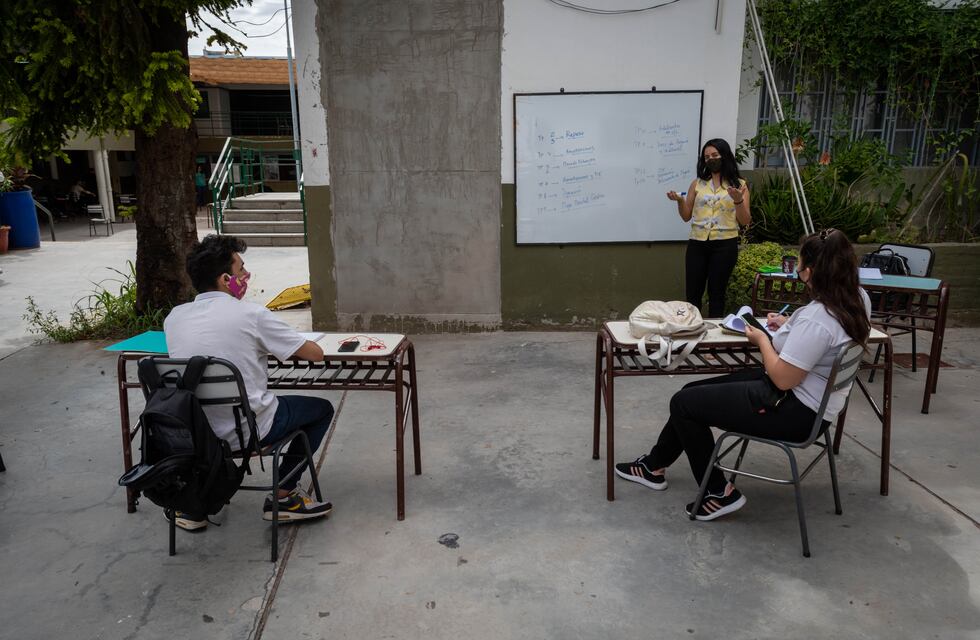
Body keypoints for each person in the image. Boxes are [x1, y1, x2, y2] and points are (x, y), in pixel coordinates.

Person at [615, 229, 871, 521]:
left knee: (683, 405)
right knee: (690, 392)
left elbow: (783, 379)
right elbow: (818, 340)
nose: (797, 272)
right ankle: (653, 466)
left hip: (794, 411)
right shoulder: (857, 298)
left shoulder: (818, 319)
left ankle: (717, 492)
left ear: (811, 273)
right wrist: (790, 323)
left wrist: (762, 341)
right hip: (814, 407)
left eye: (798, 267)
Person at [163, 234, 334, 531]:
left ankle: (193, 507)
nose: (246, 276)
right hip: (249, 430)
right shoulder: (251, 314)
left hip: (195, 435)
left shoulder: (174, 318)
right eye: (241, 270)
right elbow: (315, 354)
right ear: (225, 278)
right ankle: (284, 494)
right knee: (321, 409)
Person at [666, 138, 750, 318]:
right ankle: (691, 332)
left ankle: (714, 338)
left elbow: (745, 220)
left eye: (715, 155)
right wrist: (680, 201)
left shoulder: (740, 185)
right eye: (707, 157)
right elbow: (686, 216)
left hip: (725, 246)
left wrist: (738, 200)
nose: (711, 159)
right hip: (697, 244)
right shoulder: (697, 184)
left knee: (717, 294)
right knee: (693, 294)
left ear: (725, 156)